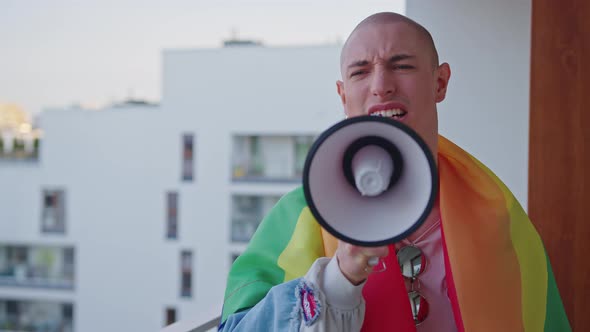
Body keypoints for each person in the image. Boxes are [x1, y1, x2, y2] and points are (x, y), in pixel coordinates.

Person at [218, 12, 570, 332]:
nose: (380, 85)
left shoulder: (499, 216)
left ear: (440, 82)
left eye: (401, 66)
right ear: (343, 96)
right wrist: (338, 279)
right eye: (360, 72)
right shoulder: (300, 215)